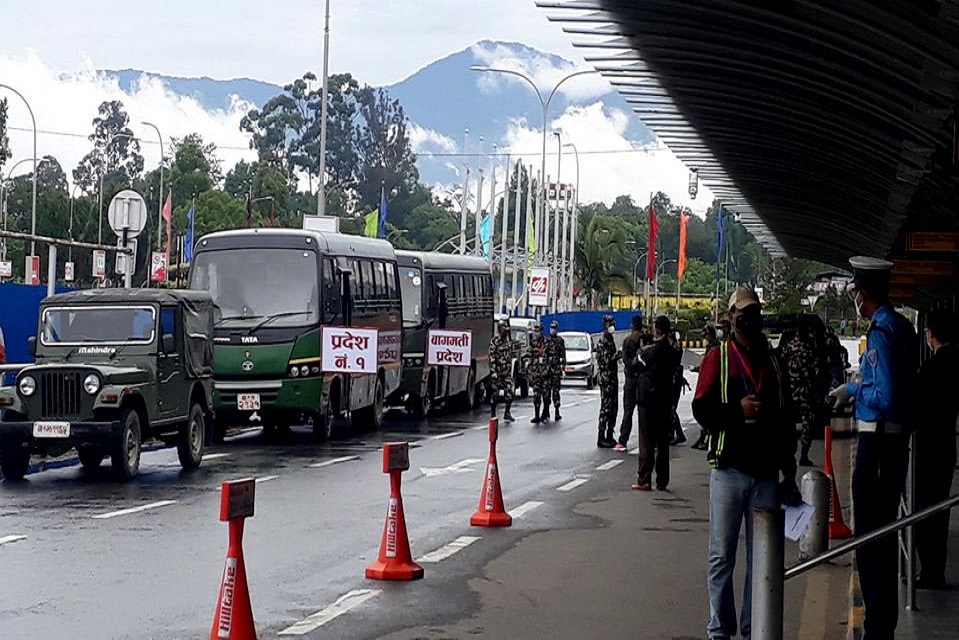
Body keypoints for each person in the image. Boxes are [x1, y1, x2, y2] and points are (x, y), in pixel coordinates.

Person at [692, 287, 798, 640]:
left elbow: (786, 418)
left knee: (761, 559)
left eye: (754, 312)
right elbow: (701, 409)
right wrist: (737, 411)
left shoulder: (774, 361)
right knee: (721, 556)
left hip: (765, 474)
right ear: (731, 317)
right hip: (728, 472)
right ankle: (720, 630)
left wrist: (789, 472)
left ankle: (756, 628)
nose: (748, 319)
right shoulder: (718, 357)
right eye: (742, 313)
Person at [829, 256, 918, 640]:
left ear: (863, 294)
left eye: (855, 291)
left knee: (869, 538)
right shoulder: (903, 327)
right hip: (895, 441)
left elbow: (884, 393)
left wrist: (853, 389)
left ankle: (877, 627)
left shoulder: (881, 333)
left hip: (877, 441)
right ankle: (884, 624)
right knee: (884, 534)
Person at [914, 310, 958, 589]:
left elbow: (915, 407)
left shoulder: (931, 368)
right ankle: (935, 568)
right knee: (941, 508)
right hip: (947, 443)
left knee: (924, 509)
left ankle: (929, 570)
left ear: (931, 335)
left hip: (929, 445)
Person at [632, 316, 682, 491]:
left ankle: (644, 479)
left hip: (648, 402)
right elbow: (677, 356)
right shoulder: (673, 352)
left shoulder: (649, 352)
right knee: (663, 443)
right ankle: (662, 481)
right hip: (665, 401)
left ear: (657, 331)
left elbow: (634, 364)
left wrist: (642, 349)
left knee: (646, 442)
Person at [782, 321, 819, 466]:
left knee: (788, 424)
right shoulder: (810, 350)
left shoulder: (788, 348)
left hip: (790, 391)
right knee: (807, 424)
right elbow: (816, 371)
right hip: (805, 392)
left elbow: (780, 367)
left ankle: (787, 454)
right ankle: (804, 454)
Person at [615, 316, 645, 451]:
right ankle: (649, 440)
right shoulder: (646, 339)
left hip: (631, 381)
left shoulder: (627, 341)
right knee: (645, 413)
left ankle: (623, 440)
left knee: (628, 412)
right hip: (644, 381)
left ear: (632, 325)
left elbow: (625, 361)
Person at [692, 325, 721, 450]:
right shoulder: (710, 347)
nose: (704, 338)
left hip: (713, 386)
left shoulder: (715, 348)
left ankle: (708, 440)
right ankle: (703, 438)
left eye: (705, 335)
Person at [594, 314, 621, 448]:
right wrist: (617, 355)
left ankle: (610, 435)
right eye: (610, 324)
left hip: (612, 378)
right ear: (605, 324)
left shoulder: (610, 340)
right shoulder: (603, 341)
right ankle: (601, 437)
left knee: (613, 408)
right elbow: (606, 361)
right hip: (606, 379)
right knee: (606, 408)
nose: (612, 326)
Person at [488, 319, 515, 422]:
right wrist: (493, 371)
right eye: (504, 329)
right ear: (500, 329)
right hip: (497, 373)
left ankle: (507, 412)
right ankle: (493, 413)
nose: (506, 331)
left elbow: (510, 355)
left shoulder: (507, 341)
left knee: (510, 393)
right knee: (495, 395)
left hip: (506, 373)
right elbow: (491, 357)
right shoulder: (495, 341)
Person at [667, 331, 690, 446]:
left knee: (671, 408)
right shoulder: (676, 347)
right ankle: (671, 434)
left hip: (674, 381)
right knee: (671, 408)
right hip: (676, 380)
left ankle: (679, 434)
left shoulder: (673, 349)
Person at [528, 322, 550, 424]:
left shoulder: (547, 343)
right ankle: (536, 416)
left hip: (545, 373)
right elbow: (529, 357)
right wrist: (530, 372)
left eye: (538, 331)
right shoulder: (532, 343)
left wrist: (548, 370)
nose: (536, 333)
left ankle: (545, 413)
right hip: (536, 373)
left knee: (546, 396)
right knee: (536, 395)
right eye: (535, 331)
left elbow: (551, 357)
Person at [544, 320, 566, 422]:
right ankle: (546, 411)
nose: (552, 329)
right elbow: (544, 354)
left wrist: (563, 366)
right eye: (551, 328)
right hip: (548, 370)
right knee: (546, 392)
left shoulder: (560, 341)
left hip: (556, 369)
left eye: (554, 328)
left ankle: (557, 411)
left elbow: (563, 355)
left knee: (556, 391)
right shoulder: (547, 341)